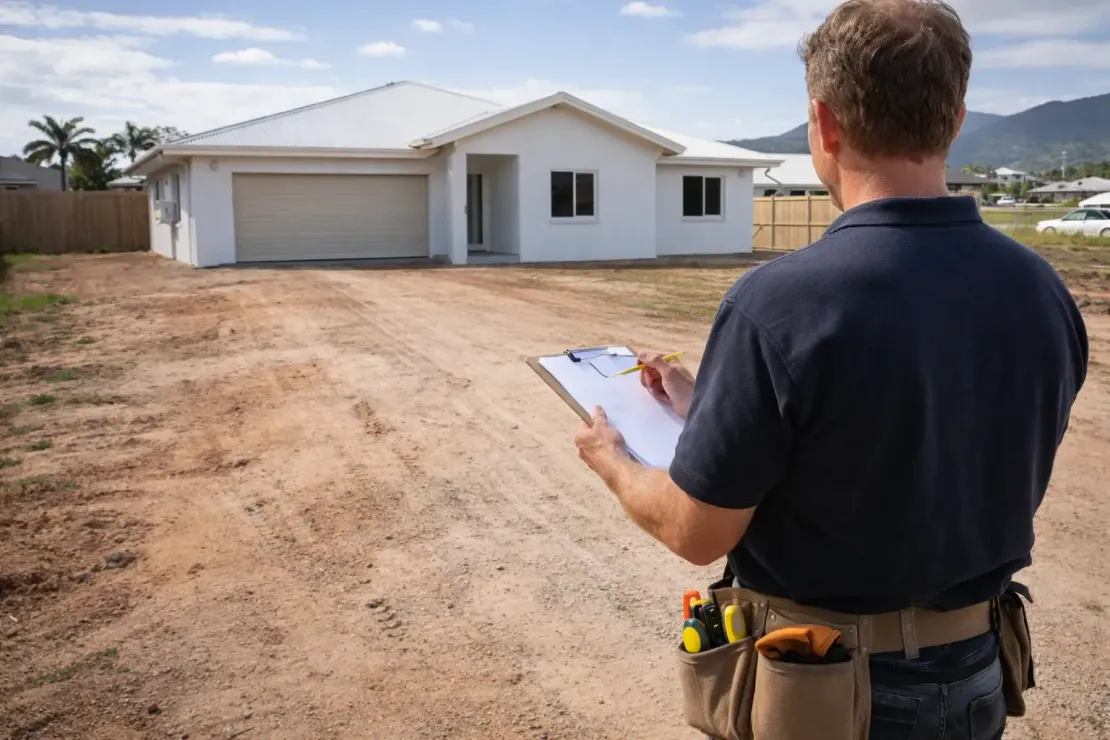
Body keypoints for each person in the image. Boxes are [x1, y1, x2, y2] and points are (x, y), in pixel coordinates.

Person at [573, 1, 1088, 738]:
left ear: (824, 121)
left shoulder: (779, 302)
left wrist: (614, 461)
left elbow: (697, 532)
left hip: (825, 687)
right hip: (978, 672)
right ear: (956, 119)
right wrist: (711, 404)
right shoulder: (1040, 290)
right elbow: (919, 437)